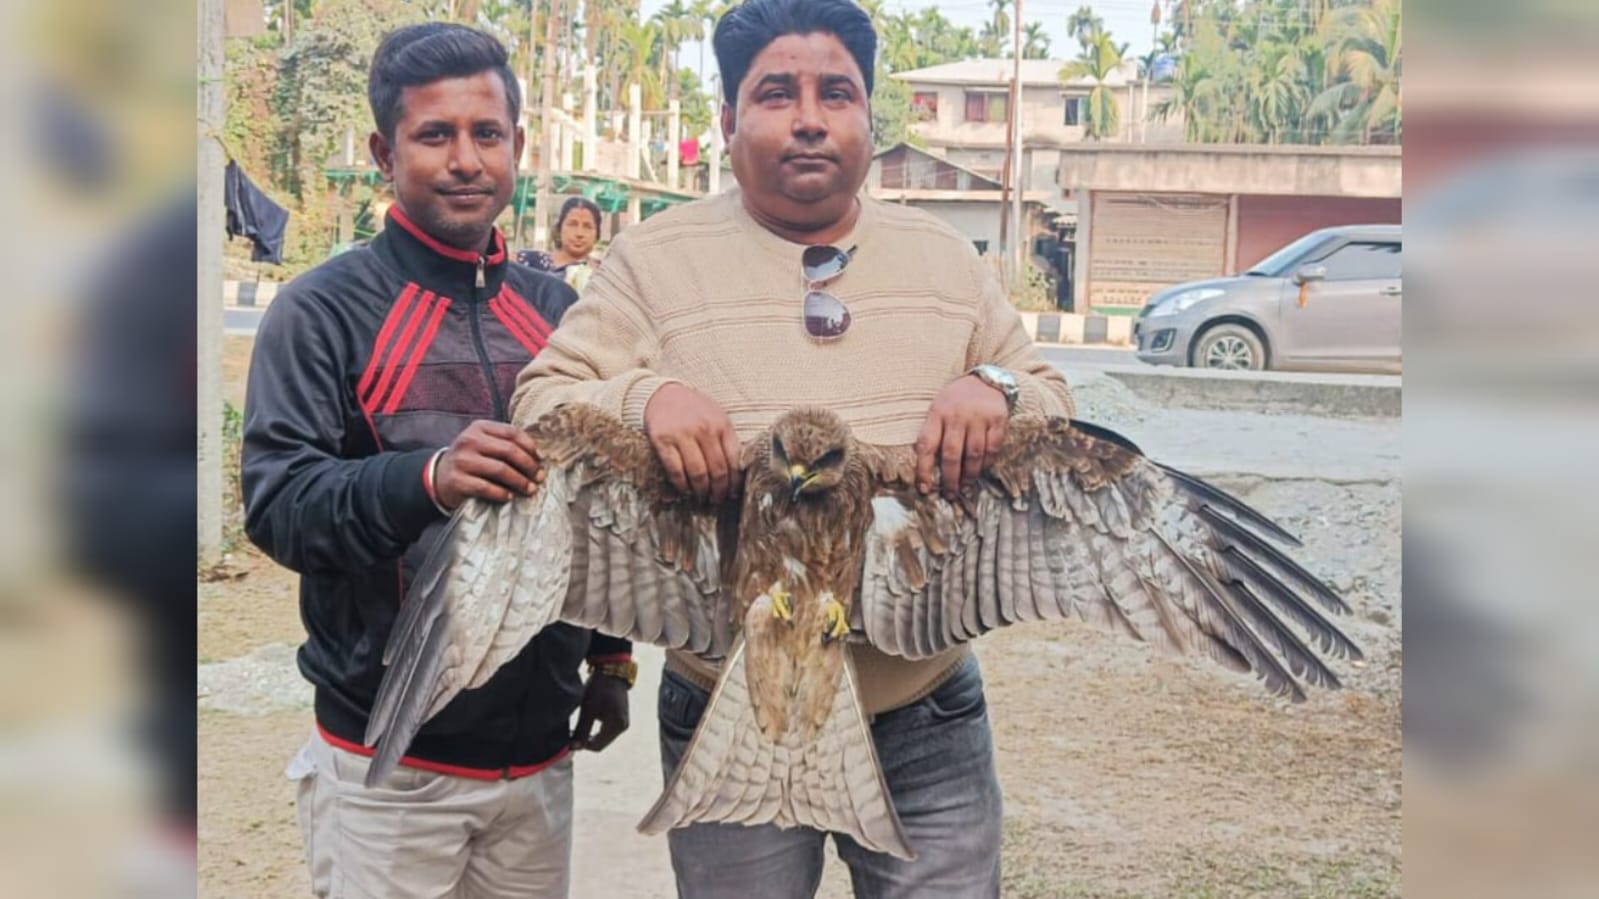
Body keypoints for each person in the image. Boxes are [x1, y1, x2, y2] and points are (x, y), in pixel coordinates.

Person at [509, 1, 1074, 896]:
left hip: (923, 715)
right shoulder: (651, 260)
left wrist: (996, 386)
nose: (809, 118)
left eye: (835, 93)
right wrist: (644, 397)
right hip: (733, 707)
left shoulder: (946, 260)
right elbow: (540, 403)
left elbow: (1050, 398)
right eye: (776, 93)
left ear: (868, 118)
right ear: (727, 120)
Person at [240, 23, 632, 899]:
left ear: (517, 145)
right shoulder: (321, 311)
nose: (465, 160)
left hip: (537, 764)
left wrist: (609, 661)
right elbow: (278, 504)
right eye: (434, 135)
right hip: (387, 771)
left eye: (486, 133)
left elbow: (595, 503)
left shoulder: (558, 311)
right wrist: (427, 478)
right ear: (384, 153)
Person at [517, 195, 604, 289]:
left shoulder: (604, 273)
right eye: (572, 225)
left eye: (588, 227)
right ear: (559, 229)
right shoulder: (529, 262)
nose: (579, 233)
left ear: (597, 234)